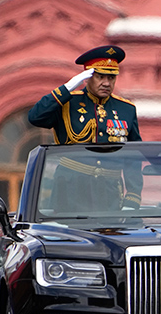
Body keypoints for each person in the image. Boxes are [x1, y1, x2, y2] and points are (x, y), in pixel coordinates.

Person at [30, 45, 143, 211]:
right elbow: (35, 117)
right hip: (70, 189)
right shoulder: (67, 102)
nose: (106, 83)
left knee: (109, 235)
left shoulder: (126, 109)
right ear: (87, 77)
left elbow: (133, 156)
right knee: (69, 237)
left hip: (109, 192)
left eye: (111, 78)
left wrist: (133, 197)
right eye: (100, 77)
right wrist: (66, 89)